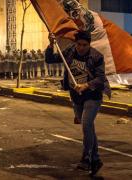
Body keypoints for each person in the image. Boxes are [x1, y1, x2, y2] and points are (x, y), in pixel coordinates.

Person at [45, 30, 110, 176]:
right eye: (78, 44)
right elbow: (50, 59)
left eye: (84, 45)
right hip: (76, 96)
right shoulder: (70, 51)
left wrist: (86, 85)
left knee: (87, 124)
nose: (80, 48)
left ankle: (86, 158)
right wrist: (51, 43)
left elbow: (100, 79)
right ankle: (96, 159)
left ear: (89, 44)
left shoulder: (96, 56)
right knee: (88, 128)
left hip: (92, 95)